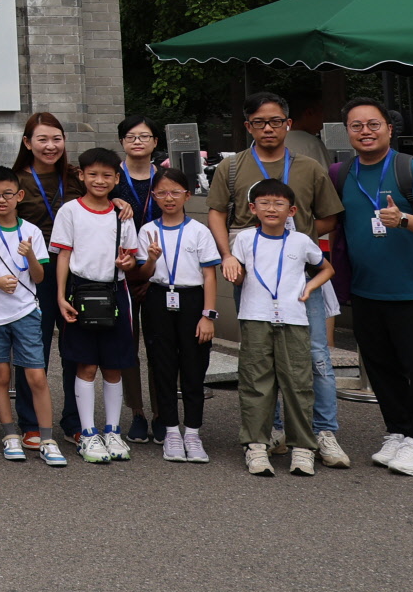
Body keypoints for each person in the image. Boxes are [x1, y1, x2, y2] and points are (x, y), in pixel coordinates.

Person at [206, 91, 348, 467]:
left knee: (315, 355)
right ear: (247, 126)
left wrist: (295, 240)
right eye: (259, 122)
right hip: (252, 277)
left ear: (288, 124)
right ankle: (275, 429)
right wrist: (228, 254)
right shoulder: (232, 167)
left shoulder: (309, 168)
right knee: (261, 356)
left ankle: (323, 431)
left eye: (275, 121)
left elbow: (329, 217)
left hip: (299, 277)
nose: (267, 128)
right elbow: (216, 212)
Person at [334, 99, 413, 477]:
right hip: (367, 289)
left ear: (389, 128)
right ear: (347, 132)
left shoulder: (411, 169)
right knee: (382, 368)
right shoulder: (343, 173)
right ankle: (398, 431)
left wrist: (402, 219)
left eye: (373, 124)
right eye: (356, 126)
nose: (365, 132)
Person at [0, 168, 67, 467]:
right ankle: (10, 434)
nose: (2, 200)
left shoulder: (31, 231)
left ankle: (47, 439)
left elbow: (40, 276)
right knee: (0, 375)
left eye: (8, 194)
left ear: (19, 195)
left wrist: (30, 254)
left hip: (25, 312)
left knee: (36, 375)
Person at [229, 178, 332, 477]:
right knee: (255, 382)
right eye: (264, 203)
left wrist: (309, 287)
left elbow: (327, 268)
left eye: (279, 203)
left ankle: (303, 447)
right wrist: (233, 271)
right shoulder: (245, 239)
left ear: (292, 210)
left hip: (293, 319)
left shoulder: (301, 241)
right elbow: (239, 274)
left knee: (298, 384)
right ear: (253, 208)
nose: (271, 209)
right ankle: (256, 446)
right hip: (255, 317)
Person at [51, 148, 146, 465]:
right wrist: (61, 296)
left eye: (107, 175)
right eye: (92, 174)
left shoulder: (123, 214)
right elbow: (63, 255)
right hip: (81, 291)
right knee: (86, 365)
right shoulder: (70, 211)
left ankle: (113, 431)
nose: (99, 180)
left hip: (116, 292)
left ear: (117, 178)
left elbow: (131, 258)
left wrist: (127, 263)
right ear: (81, 175)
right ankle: (88, 433)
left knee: (114, 366)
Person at [137, 167, 220, 464]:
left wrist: (208, 315)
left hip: (192, 301)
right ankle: (171, 431)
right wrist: (151, 259)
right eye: (162, 193)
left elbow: (209, 275)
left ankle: (193, 433)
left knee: (194, 368)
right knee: (162, 366)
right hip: (158, 299)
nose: (169, 198)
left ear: (187, 195)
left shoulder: (199, 231)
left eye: (175, 192)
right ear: (154, 196)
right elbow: (143, 275)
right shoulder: (147, 230)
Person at [10, 111, 77, 447]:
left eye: (56, 139)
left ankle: (75, 420)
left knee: (75, 348)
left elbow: (102, 198)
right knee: (33, 347)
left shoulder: (77, 176)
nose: (50, 146)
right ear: (27, 143)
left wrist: (119, 200)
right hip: (35, 270)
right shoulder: (16, 180)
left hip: (75, 269)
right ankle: (30, 421)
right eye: (42, 139)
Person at [112, 115, 163, 444]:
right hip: (122, 271)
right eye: (131, 137)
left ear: (155, 142)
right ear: (122, 142)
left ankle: (161, 413)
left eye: (145, 136)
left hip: (160, 272)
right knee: (126, 347)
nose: (138, 142)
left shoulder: (166, 178)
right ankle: (137, 413)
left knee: (159, 346)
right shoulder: (112, 179)